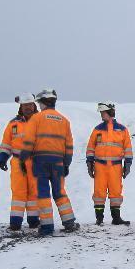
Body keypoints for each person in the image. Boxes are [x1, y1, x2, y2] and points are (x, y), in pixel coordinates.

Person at [18, 88, 80, 236]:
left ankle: (46, 227)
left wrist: (22, 159)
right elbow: (69, 146)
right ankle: (69, 223)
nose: (38, 106)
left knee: (43, 194)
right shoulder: (64, 120)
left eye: (39, 103)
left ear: (43, 103)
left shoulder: (36, 119)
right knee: (60, 192)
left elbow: (28, 142)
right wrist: (66, 164)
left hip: (40, 162)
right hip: (58, 162)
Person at [0, 94, 40, 231]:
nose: (28, 108)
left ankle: (34, 221)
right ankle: (15, 223)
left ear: (34, 105)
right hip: (17, 162)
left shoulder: (40, 121)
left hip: (35, 161)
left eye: (30, 105)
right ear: (21, 107)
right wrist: (2, 156)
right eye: (25, 105)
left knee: (34, 192)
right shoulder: (13, 124)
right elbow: (6, 143)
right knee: (18, 192)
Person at [86, 102, 133, 225]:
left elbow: (127, 148)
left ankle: (116, 218)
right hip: (100, 165)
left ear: (110, 112)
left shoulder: (122, 130)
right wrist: (89, 162)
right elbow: (91, 147)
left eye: (103, 112)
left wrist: (128, 164)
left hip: (116, 166)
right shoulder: (97, 129)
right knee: (99, 193)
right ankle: (99, 219)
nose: (101, 114)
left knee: (116, 192)